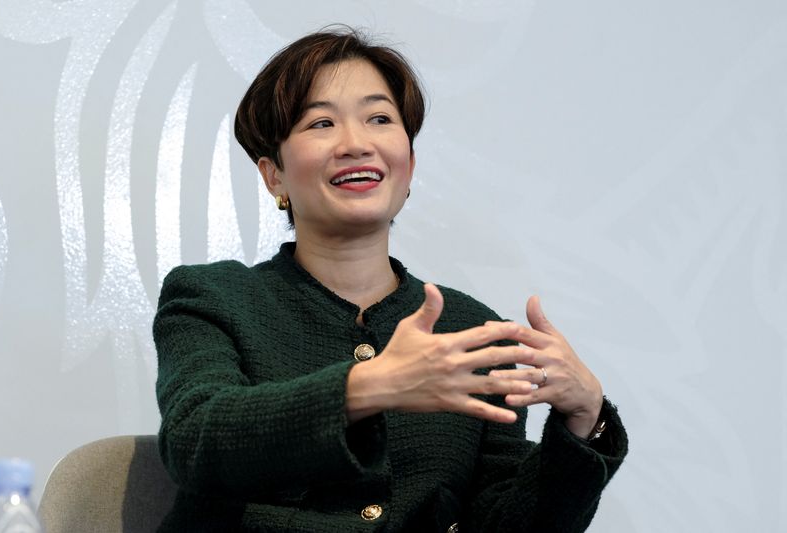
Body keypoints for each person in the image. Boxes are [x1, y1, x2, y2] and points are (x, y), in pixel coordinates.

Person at [153, 27, 628, 532]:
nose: (356, 143)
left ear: (409, 164)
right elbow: (194, 438)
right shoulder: (212, 298)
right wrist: (370, 385)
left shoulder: (471, 330)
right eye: (321, 123)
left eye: (379, 118)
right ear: (274, 176)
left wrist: (584, 421)